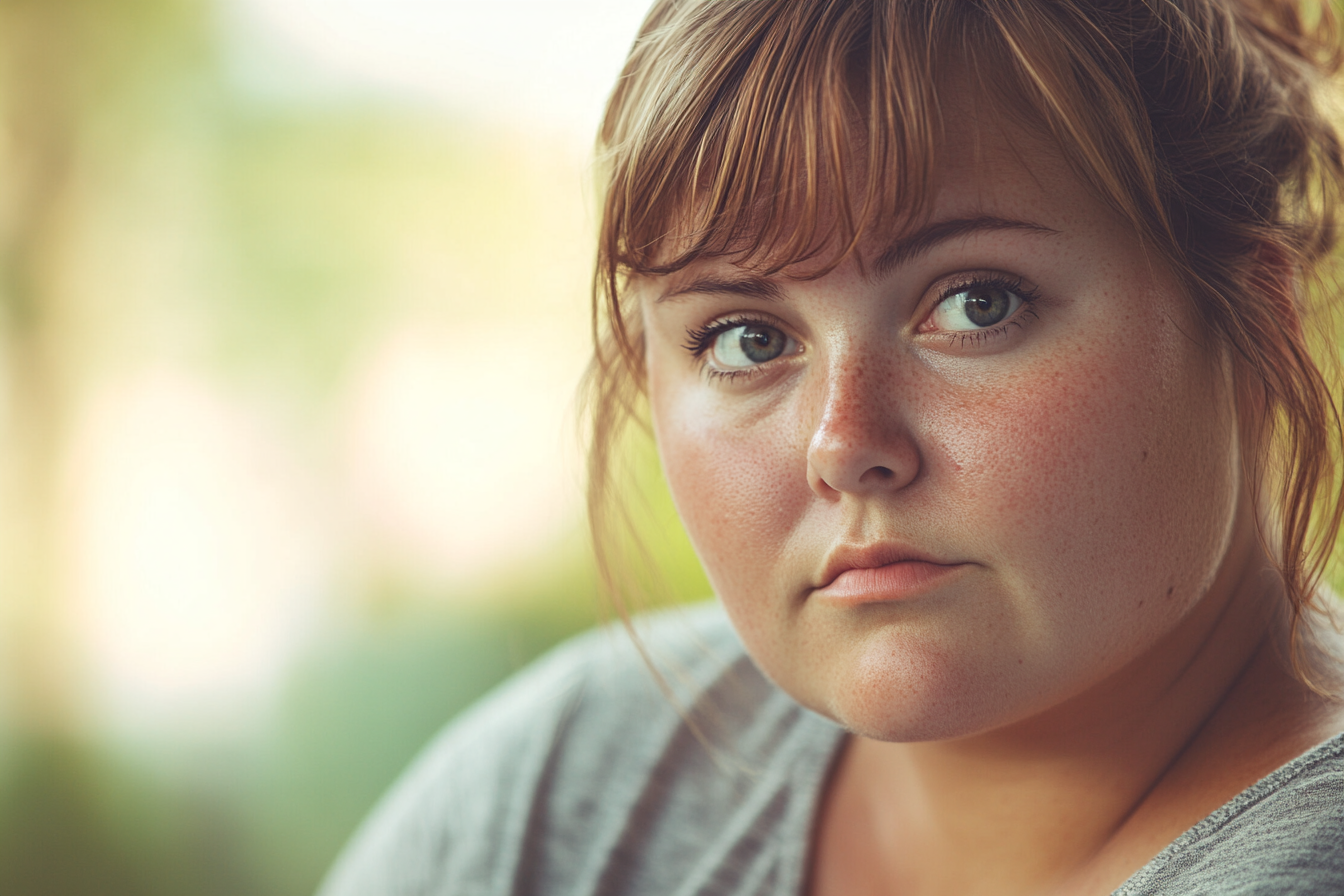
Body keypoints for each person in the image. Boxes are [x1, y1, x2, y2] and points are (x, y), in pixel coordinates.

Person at [317, 1, 1344, 893]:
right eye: (746, 337)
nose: (845, 442)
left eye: (976, 303)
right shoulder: (568, 784)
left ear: (1254, 317)